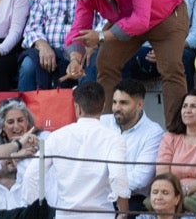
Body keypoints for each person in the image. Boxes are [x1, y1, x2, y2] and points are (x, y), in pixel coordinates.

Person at [20, 82, 129, 219]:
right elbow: (118, 177)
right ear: (104, 106)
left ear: (77, 107)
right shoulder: (114, 139)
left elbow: (31, 175)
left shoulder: (56, 137)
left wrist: (35, 212)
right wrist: (124, 213)